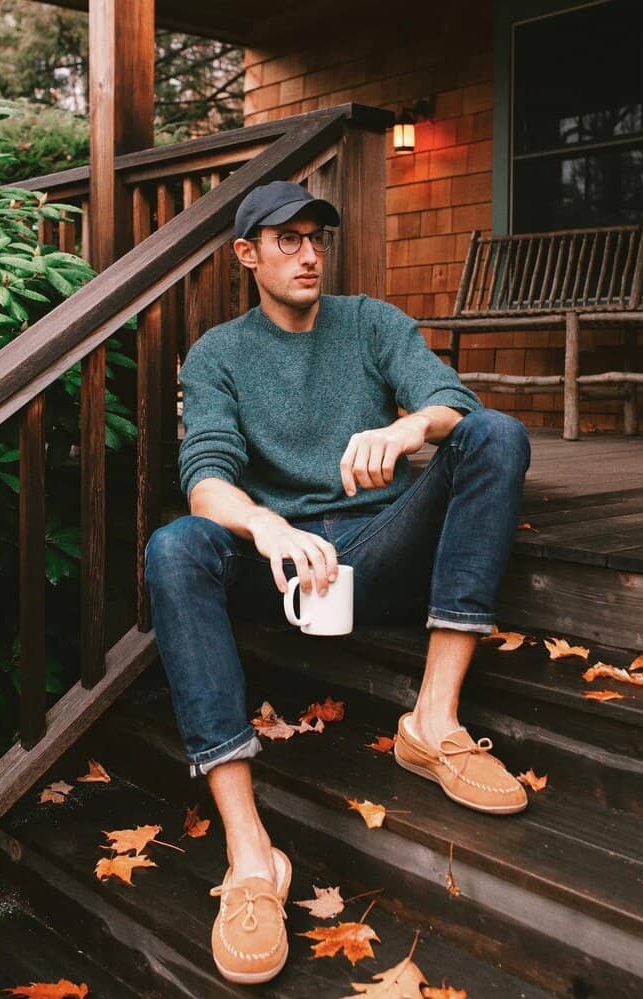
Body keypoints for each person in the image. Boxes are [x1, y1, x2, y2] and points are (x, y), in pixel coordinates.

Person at [145, 180, 531, 986]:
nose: (309, 252)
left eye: (317, 235)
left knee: (495, 432)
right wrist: (268, 525)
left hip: (377, 542)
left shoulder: (371, 323)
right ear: (247, 255)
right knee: (176, 546)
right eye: (286, 239)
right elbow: (205, 478)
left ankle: (433, 719)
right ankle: (253, 855)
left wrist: (406, 426)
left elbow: (451, 404)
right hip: (279, 565)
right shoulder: (219, 352)